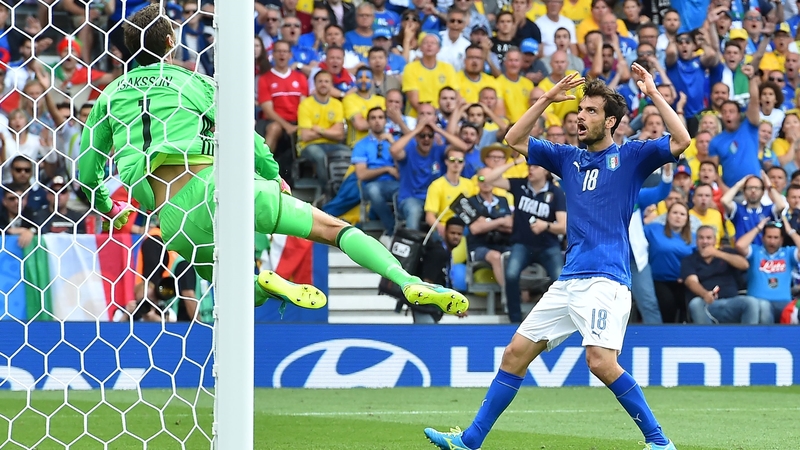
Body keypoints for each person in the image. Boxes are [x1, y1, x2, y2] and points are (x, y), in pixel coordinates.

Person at [76, 5, 469, 318]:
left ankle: (264, 282)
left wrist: (108, 205)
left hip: (174, 219)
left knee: (233, 287)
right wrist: (272, 174)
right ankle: (406, 279)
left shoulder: (109, 96)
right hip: (223, 187)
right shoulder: (193, 82)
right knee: (334, 230)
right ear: (169, 42)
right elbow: (245, 135)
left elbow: (87, 170)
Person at [424, 64, 690, 450]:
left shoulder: (631, 156)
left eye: (591, 111)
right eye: (580, 109)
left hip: (606, 279)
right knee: (515, 354)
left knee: (600, 361)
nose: (580, 116)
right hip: (569, 280)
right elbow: (514, 138)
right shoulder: (567, 158)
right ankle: (470, 440)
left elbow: (681, 140)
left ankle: (659, 441)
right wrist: (547, 99)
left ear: (610, 121)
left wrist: (653, 93)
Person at [683, 226, 760, 325]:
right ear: (696, 241)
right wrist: (705, 294)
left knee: (751, 302)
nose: (705, 241)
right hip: (707, 303)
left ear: (715, 240)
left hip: (732, 302)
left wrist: (717, 253)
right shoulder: (689, 260)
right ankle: (707, 335)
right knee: (695, 303)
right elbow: (691, 282)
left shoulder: (727, 253)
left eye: (709, 238)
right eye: (701, 238)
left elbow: (744, 265)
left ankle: (746, 335)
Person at [735, 217, 800, 324]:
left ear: (781, 240)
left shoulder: (788, 252)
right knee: (763, 306)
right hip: (759, 303)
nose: (772, 241)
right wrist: (758, 228)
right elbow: (740, 245)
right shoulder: (755, 251)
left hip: (784, 303)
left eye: (776, 237)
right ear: (763, 238)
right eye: (769, 237)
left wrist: (790, 231)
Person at [644, 202, 695, 323]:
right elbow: (635, 235)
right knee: (667, 304)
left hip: (684, 282)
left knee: (689, 304)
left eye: (682, 214)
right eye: (675, 213)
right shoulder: (653, 229)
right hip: (659, 280)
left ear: (687, 219)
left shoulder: (694, 237)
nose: (678, 216)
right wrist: (643, 217)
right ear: (667, 215)